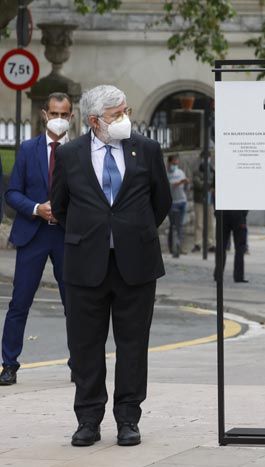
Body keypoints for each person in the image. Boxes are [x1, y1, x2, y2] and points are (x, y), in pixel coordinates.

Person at [51, 85, 171, 447]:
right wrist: (94, 231)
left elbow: (160, 201)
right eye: (117, 114)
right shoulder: (70, 154)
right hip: (85, 264)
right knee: (85, 347)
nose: (125, 118)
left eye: (126, 110)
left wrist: (132, 229)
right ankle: (88, 419)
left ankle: (128, 419)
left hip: (136, 263)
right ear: (94, 121)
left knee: (133, 345)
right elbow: (60, 206)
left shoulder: (146, 149)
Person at [0, 92, 73, 386]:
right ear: (44, 114)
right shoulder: (28, 149)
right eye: (54, 113)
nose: (58, 119)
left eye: (64, 114)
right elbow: (12, 192)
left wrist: (64, 210)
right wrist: (36, 209)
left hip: (67, 235)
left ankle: (79, 363)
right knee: (20, 302)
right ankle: (9, 364)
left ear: (71, 117)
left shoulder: (80, 150)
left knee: (75, 304)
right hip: (33, 234)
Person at [216, 210, 248, 283]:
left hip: (223, 213)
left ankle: (218, 274)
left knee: (221, 245)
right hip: (237, 214)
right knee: (239, 247)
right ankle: (238, 276)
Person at [166, 154, 188, 258]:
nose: (175, 165)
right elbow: (171, 186)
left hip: (182, 202)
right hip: (172, 203)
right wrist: (180, 182)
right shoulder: (167, 174)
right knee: (173, 226)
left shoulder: (180, 172)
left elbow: (185, 186)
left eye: (176, 163)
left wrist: (185, 182)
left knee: (179, 226)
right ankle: (172, 247)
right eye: (174, 163)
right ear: (169, 163)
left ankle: (178, 247)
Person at [191, 159, 215, 253]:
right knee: (199, 223)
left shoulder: (212, 171)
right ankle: (198, 243)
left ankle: (211, 244)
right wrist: (208, 184)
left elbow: (215, 183)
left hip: (210, 202)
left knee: (211, 223)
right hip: (199, 201)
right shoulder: (196, 172)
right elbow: (198, 185)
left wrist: (206, 183)